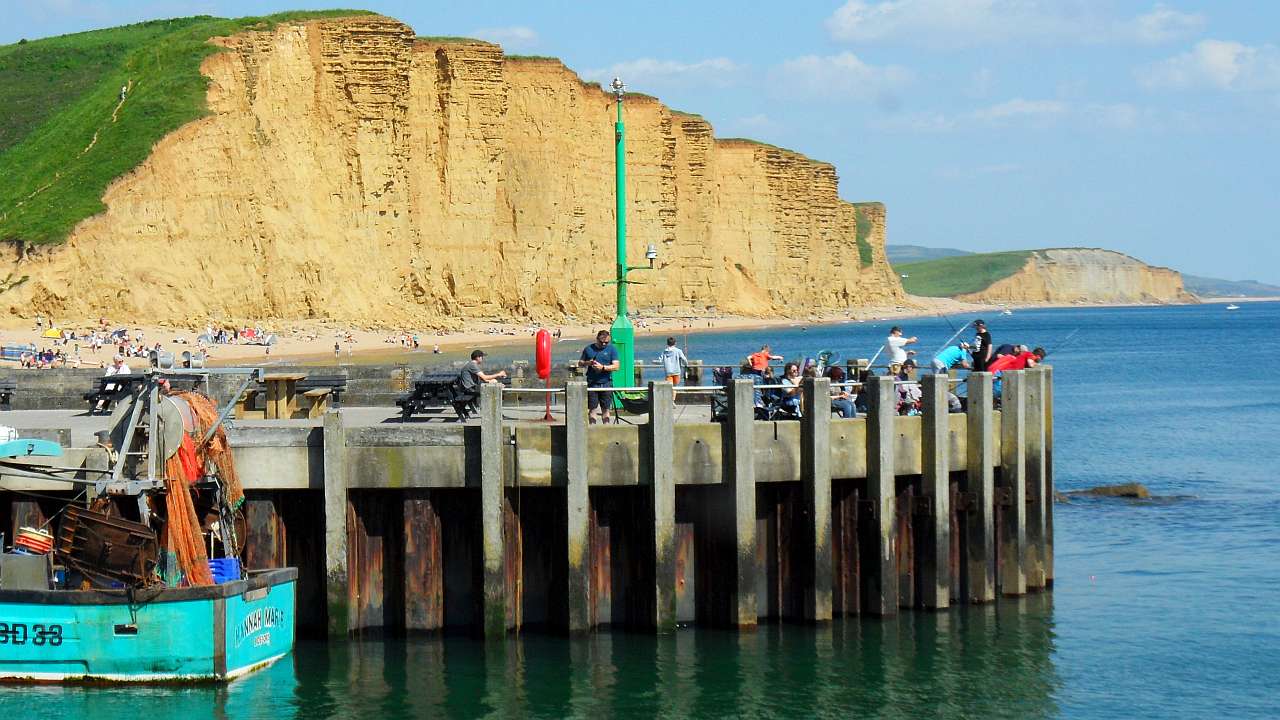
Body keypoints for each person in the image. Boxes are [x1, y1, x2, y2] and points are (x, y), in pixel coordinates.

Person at [579, 330, 620, 424]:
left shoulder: (612, 349)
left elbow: (616, 366)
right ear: (597, 339)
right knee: (592, 409)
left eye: (606, 342)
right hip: (592, 383)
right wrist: (588, 363)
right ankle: (592, 427)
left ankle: (606, 427)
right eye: (602, 342)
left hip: (606, 382)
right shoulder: (588, 349)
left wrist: (603, 367)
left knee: (606, 409)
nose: (604, 344)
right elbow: (580, 363)